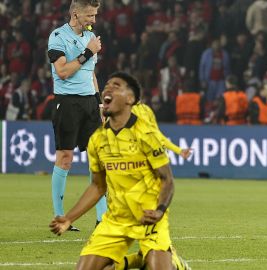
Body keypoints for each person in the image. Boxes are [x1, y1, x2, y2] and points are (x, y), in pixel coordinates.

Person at [49, 72, 188, 270]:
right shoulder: (97, 140)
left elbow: (167, 180)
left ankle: (172, 262)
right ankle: (135, 260)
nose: (107, 89)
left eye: (116, 86)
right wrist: (69, 218)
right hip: (116, 219)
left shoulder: (146, 134)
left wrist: (159, 211)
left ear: (130, 99)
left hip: (149, 218)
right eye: (107, 85)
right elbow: (98, 186)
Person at [47, 0, 105, 230]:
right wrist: (87, 53)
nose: (93, 20)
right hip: (67, 103)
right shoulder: (58, 36)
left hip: (90, 103)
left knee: (98, 160)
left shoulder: (91, 38)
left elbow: (92, 75)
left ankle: (102, 219)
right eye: (90, 15)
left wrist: (99, 105)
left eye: (95, 15)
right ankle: (60, 217)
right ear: (75, 14)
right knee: (65, 159)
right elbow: (62, 72)